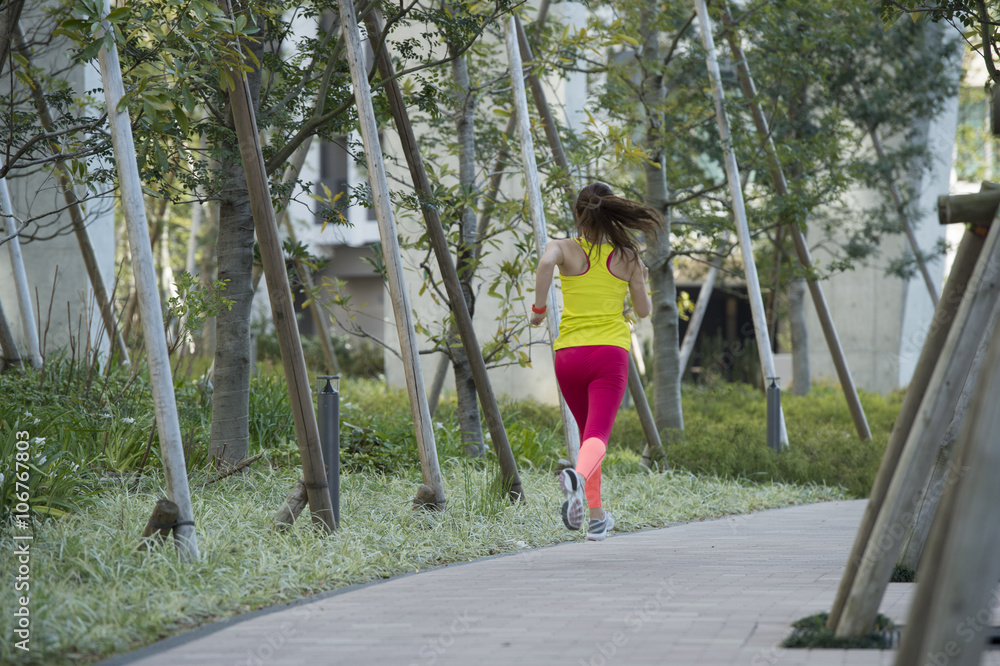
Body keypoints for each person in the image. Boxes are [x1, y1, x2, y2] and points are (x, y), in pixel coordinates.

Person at [529, 182, 663, 541]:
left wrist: (539, 311)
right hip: (609, 354)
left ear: (577, 214)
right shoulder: (629, 255)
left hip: (568, 356)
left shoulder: (561, 248)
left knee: (589, 437)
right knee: (598, 436)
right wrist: (642, 279)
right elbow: (644, 312)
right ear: (611, 214)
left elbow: (544, 264)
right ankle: (576, 475)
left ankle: (598, 517)